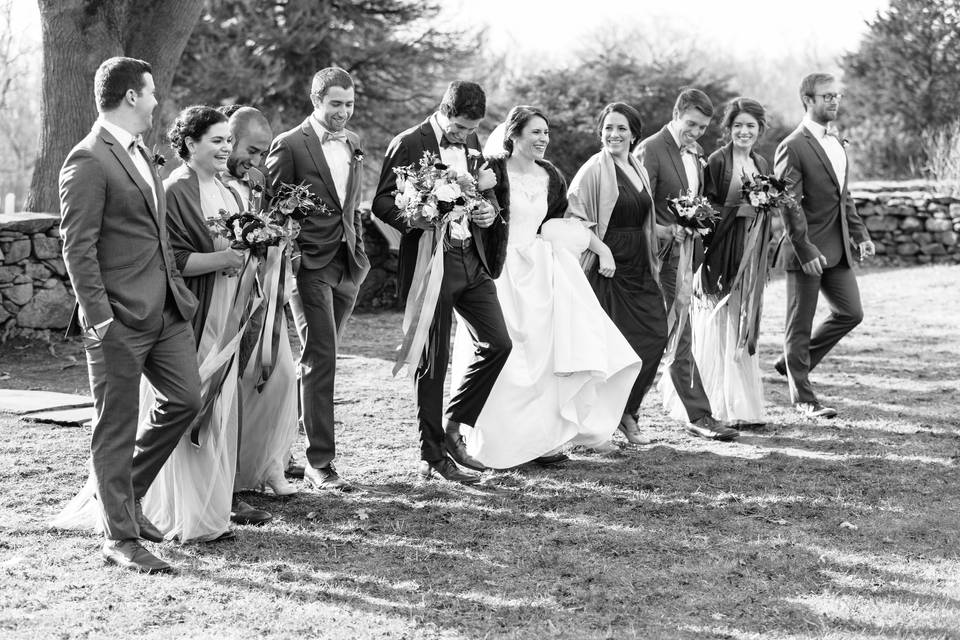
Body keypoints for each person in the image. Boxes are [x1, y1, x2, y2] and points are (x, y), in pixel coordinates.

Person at [56, 57, 200, 573]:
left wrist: (176, 291)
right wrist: (99, 318)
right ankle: (119, 536)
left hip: (165, 310)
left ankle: (125, 495)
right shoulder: (88, 158)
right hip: (117, 318)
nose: (158, 100)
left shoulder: (143, 152)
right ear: (132, 96)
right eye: (152, 92)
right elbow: (78, 247)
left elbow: (155, 233)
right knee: (115, 425)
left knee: (186, 399)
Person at [448, 106, 643, 468]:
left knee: (543, 358)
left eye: (546, 133)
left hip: (539, 271)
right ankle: (504, 441)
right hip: (499, 270)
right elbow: (476, 213)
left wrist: (596, 247)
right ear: (514, 135)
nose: (543, 140)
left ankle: (543, 441)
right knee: (507, 358)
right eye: (535, 132)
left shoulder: (551, 174)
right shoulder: (491, 170)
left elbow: (555, 221)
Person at [372, 80, 511, 484]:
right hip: (431, 263)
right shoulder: (409, 142)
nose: (466, 135)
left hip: (471, 260)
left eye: (472, 129)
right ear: (444, 110)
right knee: (433, 361)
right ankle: (431, 456)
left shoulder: (470, 143)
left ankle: (454, 425)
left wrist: (487, 211)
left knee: (499, 342)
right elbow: (382, 201)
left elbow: (478, 196)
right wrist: (417, 215)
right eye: (460, 127)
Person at [137, 105, 251, 542]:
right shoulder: (175, 191)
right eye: (217, 140)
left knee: (220, 405)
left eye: (228, 140)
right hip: (193, 311)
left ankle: (213, 507)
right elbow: (171, 261)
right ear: (189, 144)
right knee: (191, 402)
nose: (226, 148)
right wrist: (224, 259)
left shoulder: (231, 191)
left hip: (229, 310)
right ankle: (181, 511)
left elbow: (243, 246)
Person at [265, 67, 370, 491]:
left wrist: (358, 250)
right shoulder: (289, 144)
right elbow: (274, 210)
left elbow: (353, 203)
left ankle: (276, 445)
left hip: (348, 264)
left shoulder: (355, 143)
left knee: (316, 360)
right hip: (307, 267)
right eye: (335, 104)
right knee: (321, 357)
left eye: (349, 104)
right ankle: (320, 463)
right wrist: (292, 263)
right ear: (316, 100)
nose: (343, 113)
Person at [638, 89, 739, 441]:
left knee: (672, 333)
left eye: (702, 128)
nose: (696, 133)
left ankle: (627, 410)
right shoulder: (651, 149)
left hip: (687, 257)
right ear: (676, 112)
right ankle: (699, 414)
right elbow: (637, 205)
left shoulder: (695, 154)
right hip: (659, 258)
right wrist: (666, 231)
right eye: (691, 124)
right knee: (677, 333)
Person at [773, 72, 874, 418]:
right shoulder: (792, 145)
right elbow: (789, 203)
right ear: (808, 100)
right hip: (807, 252)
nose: (834, 101)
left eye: (837, 95)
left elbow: (844, 199)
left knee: (851, 313)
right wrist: (804, 249)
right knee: (798, 326)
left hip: (839, 248)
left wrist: (860, 235)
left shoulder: (836, 143)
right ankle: (804, 399)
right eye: (826, 96)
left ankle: (792, 363)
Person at [567, 102, 667, 445]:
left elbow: (643, 217)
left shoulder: (636, 166)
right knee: (608, 349)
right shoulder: (594, 169)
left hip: (639, 265)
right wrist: (602, 249)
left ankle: (627, 411)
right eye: (608, 127)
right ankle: (599, 424)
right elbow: (575, 219)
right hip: (607, 269)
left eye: (622, 128)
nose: (614, 134)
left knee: (655, 336)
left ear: (634, 133)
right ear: (600, 132)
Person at [221, 106, 299, 517]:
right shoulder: (213, 182)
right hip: (227, 298)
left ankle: (269, 463)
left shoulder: (257, 182)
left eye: (262, 153)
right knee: (234, 384)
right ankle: (232, 475)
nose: (256, 160)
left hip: (263, 295)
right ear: (228, 139)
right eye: (251, 150)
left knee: (281, 376)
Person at [692, 98, 773, 426]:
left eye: (750, 126)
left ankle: (747, 407)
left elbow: (766, 209)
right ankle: (724, 406)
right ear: (728, 129)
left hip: (751, 255)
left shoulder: (762, 163)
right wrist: (735, 213)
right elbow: (705, 211)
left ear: (760, 130)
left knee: (746, 323)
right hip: (724, 254)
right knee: (725, 323)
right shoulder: (717, 162)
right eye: (738, 125)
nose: (744, 131)